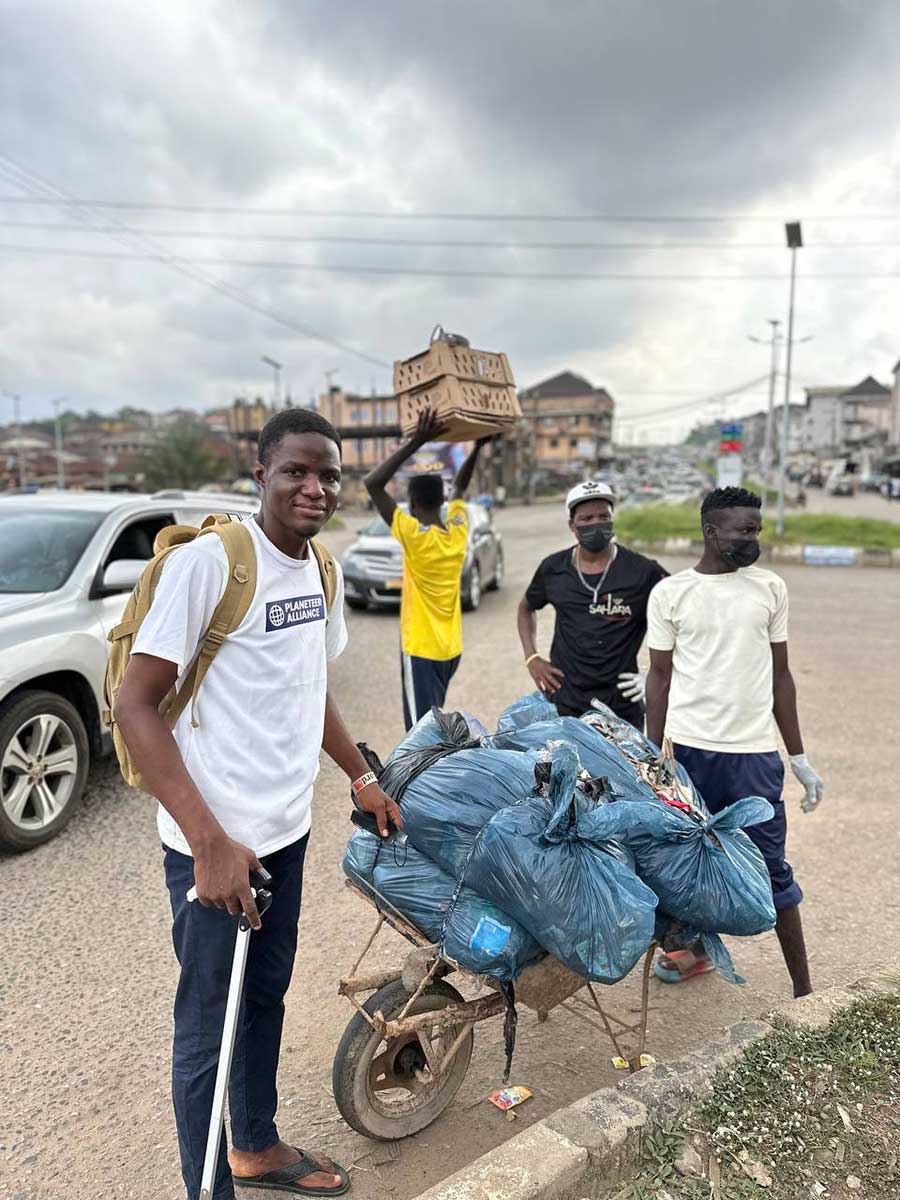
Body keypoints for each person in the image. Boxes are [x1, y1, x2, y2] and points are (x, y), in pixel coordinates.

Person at [115, 408, 402, 1200]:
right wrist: (208, 841)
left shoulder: (321, 571)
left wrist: (359, 774)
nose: (315, 488)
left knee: (264, 997)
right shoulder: (211, 565)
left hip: (285, 834)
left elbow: (310, 688)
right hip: (213, 847)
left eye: (329, 475)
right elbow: (135, 705)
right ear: (261, 477)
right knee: (208, 1028)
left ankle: (254, 1144)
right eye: (296, 472)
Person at [645, 486, 823, 997]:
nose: (754, 539)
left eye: (757, 530)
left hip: (752, 756)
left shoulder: (769, 588)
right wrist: (651, 755)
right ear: (711, 531)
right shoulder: (672, 593)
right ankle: (696, 950)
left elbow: (781, 676)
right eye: (744, 530)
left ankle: (804, 991)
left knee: (771, 871)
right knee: (688, 862)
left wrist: (799, 757)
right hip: (689, 754)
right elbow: (659, 678)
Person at [364, 408, 487, 730]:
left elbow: (373, 483)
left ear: (414, 505)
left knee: (419, 733)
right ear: (442, 502)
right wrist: (477, 447)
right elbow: (460, 488)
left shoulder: (414, 536)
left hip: (421, 650)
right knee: (431, 725)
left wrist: (418, 440)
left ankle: (427, 766)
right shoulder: (458, 532)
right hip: (450, 649)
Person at [517, 480, 668, 726]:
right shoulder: (553, 569)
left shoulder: (643, 572)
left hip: (622, 709)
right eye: (586, 519)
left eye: (603, 516)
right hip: (565, 705)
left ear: (612, 520)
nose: (596, 524)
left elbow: (681, 617)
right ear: (572, 525)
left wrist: (656, 674)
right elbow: (526, 607)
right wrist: (531, 657)